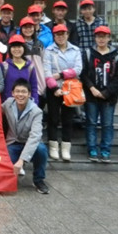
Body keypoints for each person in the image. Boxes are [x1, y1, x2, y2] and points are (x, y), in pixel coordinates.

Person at [81, 26, 118, 163]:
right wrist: (92, 88)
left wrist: (106, 92)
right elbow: (84, 74)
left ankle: (105, 150)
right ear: (95, 38)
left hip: (109, 97)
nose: (101, 39)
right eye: (99, 36)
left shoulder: (116, 55)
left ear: (109, 38)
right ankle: (92, 149)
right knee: (91, 123)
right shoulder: (88, 53)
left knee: (107, 124)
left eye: (104, 36)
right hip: (91, 95)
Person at [2, 79, 49, 194]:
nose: (20, 94)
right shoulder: (8, 103)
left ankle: (39, 180)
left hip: (30, 143)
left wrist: (21, 161)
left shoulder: (36, 112)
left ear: (29, 94)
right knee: (6, 171)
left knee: (42, 150)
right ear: (13, 93)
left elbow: (34, 137)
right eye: (17, 91)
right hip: (13, 143)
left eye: (23, 92)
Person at [43, 24, 82, 162]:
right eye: (57, 34)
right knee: (53, 118)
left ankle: (66, 147)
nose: (60, 37)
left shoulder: (75, 50)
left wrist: (60, 74)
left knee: (68, 119)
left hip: (70, 89)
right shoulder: (49, 50)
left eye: (63, 34)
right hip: (54, 89)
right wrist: (55, 88)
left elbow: (78, 69)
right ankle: (53, 146)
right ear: (54, 36)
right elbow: (47, 71)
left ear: (67, 35)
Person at [2, 35, 38, 104]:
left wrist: (35, 102)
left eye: (19, 47)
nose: (16, 49)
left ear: (24, 48)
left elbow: (34, 88)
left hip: (25, 105)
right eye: (14, 47)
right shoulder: (4, 66)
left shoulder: (30, 67)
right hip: (7, 105)